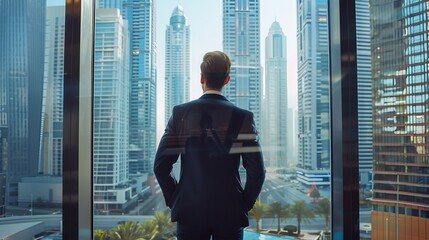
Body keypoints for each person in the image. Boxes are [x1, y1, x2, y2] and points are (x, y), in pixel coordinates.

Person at [154, 51, 265, 240]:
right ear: (227, 79)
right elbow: (257, 172)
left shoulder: (181, 113)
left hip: (189, 211)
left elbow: (161, 166)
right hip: (230, 212)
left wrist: (177, 199)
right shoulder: (243, 117)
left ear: (201, 78)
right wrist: (242, 204)